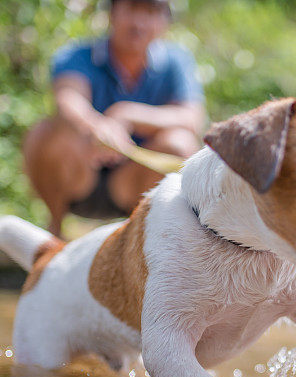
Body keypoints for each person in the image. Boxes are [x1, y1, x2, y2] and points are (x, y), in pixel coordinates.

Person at [23, 0, 205, 236]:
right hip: (81, 175)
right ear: (111, 13)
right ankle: (54, 233)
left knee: (180, 142)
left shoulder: (176, 61)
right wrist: (97, 128)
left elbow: (191, 118)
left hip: (135, 182)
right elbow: (68, 99)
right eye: (131, 9)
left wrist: (127, 114)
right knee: (45, 132)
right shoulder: (76, 55)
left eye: (150, 12)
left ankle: (141, 240)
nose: (138, 23)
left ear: (164, 22)